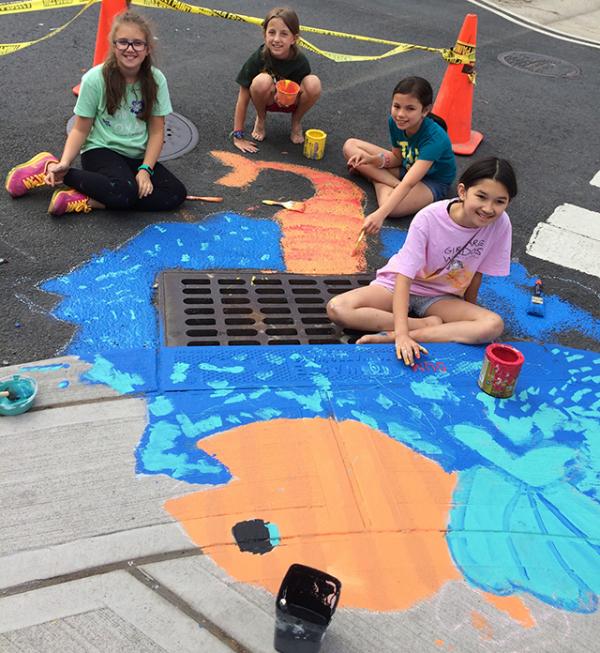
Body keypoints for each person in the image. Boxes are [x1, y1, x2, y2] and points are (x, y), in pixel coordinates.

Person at [327, 158, 517, 366]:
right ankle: (421, 325)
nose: (489, 208)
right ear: (462, 192)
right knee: (339, 308)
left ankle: (407, 335)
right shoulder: (429, 217)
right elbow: (404, 276)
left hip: (441, 296)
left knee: (492, 325)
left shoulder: (500, 224)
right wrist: (402, 334)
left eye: (500, 201)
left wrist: (467, 315)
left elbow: (478, 273)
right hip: (398, 286)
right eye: (481, 196)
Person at [5, 11, 186, 216]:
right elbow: (81, 129)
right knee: (125, 190)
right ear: (113, 45)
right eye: (123, 42)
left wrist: (146, 169)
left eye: (137, 43)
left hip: (136, 156)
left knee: (175, 194)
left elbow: (156, 132)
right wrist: (65, 162)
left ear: (147, 48)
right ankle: (53, 169)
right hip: (101, 151)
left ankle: (89, 199)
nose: (130, 49)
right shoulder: (95, 79)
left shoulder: (156, 80)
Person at [344, 76, 456, 235]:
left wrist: (380, 214)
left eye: (410, 108)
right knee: (350, 145)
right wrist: (371, 160)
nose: (401, 114)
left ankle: (376, 179)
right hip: (406, 166)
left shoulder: (435, 137)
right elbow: (397, 158)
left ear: (425, 110)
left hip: (432, 181)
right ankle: (392, 184)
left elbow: (409, 182)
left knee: (392, 208)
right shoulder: (395, 122)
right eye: (397, 106)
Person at [231, 6, 321, 153]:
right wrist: (238, 136)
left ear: (294, 39)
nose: (277, 39)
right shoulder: (259, 57)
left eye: (284, 34)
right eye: (271, 32)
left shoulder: (300, 61)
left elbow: (305, 90)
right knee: (261, 81)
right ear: (264, 34)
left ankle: (296, 122)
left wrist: (291, 96)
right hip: (268, 100)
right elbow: (243, 96)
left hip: (290, 102)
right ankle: (261, 119)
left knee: (313, 83)